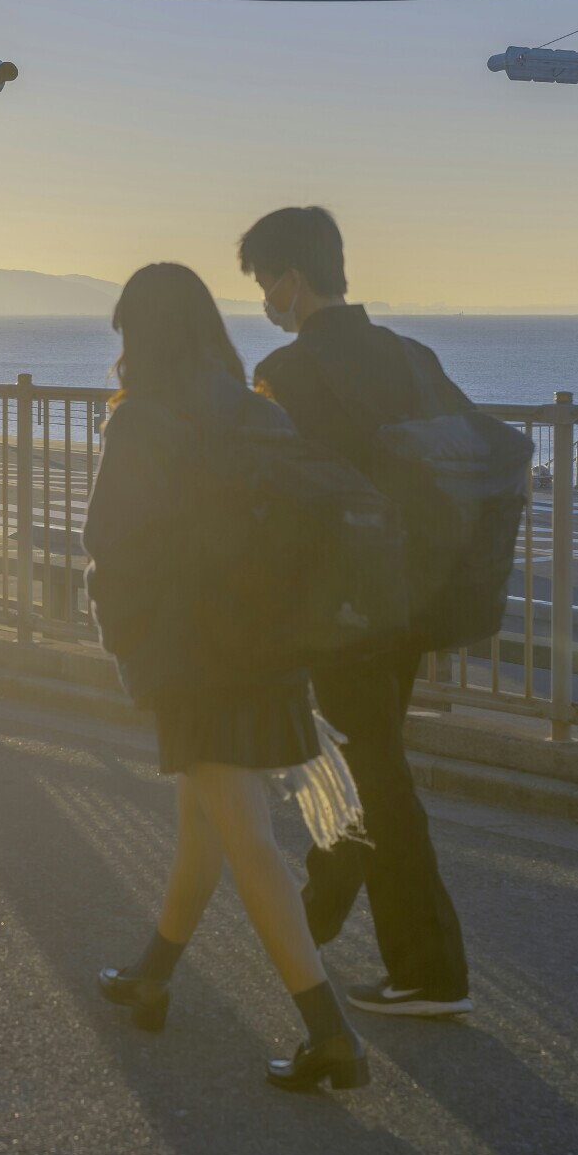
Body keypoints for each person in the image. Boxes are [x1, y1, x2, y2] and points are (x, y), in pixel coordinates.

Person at [82, 262, 371, 1092]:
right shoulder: (255, 412)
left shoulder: (144, 423)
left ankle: (331, 1034)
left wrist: (125, 632)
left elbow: (111, 539)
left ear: (140, 336)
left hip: (195, 656)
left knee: (247, 841)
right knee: (204, 824)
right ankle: (152, 975)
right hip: (269, 645)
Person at [238, 206, 472, 1019]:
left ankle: (430, 971)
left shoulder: (286, 373)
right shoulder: (414, 358)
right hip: (412, 599)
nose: (266, 296)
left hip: (336, 608)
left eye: (267, 280)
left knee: (372, 769)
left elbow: (263, 492)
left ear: (293, 280)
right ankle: (318, 912)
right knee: (363, 754)